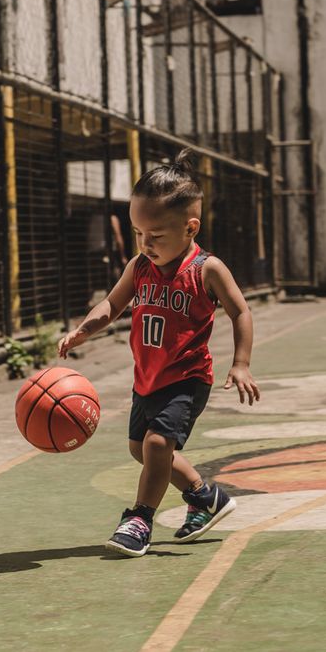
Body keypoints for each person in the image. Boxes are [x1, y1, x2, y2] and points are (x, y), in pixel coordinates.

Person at [58, 149, 260, 557]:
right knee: (141, 448)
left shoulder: (208, 269)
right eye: (138, 234)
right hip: (147, 377)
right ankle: (206, 497)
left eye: (156, 236)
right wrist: (85, 328)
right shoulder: (139, 266)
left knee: (155, 446)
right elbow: (112, 305)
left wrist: (241, 364)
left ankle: (140, 519)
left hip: (186, 377)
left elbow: (240, 310)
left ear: (190, 228)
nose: (145, 243)